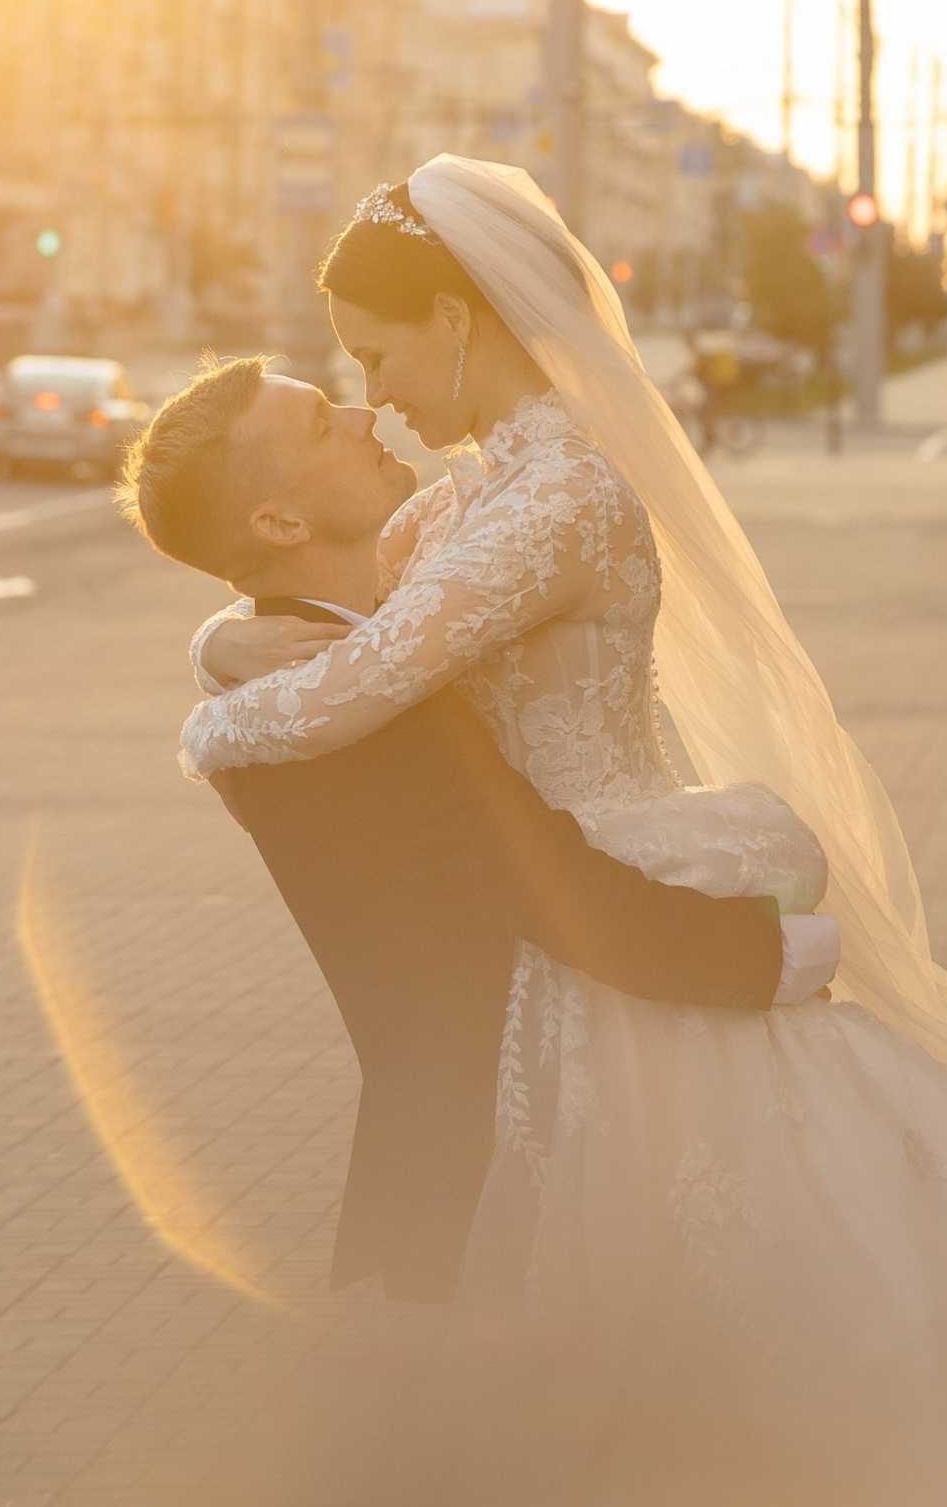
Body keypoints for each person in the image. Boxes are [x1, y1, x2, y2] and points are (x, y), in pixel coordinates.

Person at [177, 159, 947, 1507]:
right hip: (566, 936)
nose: (374, 396)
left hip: (620, 912)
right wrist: (222, 627)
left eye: (375, 357)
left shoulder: (558, 495)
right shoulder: (468, 499)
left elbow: (355, 679)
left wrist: (209, 720)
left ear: (455, 318)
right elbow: (321, 601)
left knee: (777, 1314)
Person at [113, 359, 839, 1300]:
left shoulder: (334, 663)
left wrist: (212, 644)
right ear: (281, 524)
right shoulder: (354, 722)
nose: (365, 410)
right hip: (509, 1170)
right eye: (324, 420)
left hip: (472, 1150)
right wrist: (772, 954)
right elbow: (553, 888)